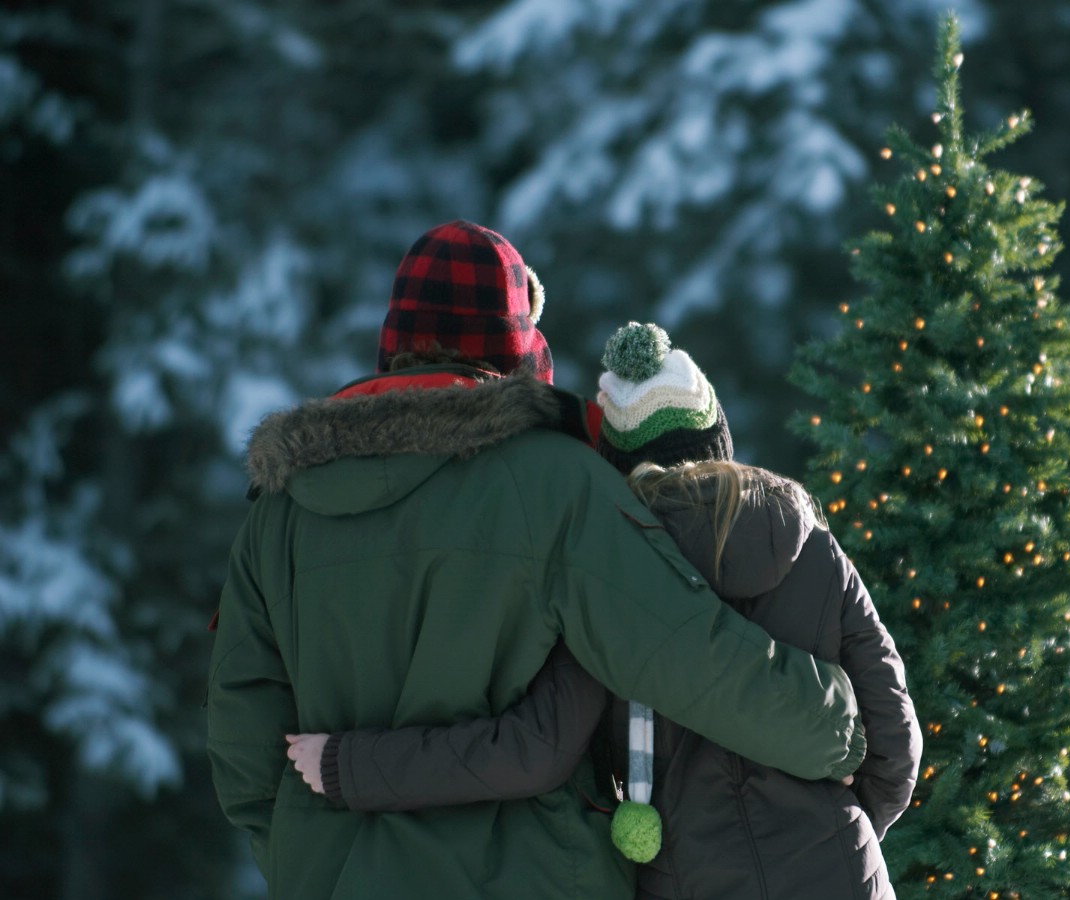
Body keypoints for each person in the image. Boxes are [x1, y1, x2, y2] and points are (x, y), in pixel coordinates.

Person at [206, 222, 868, 900]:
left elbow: (245, 756)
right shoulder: (556, 482)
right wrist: (834, 728)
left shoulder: (279, 514)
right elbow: (681, 651)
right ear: (514, 340)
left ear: (394, 339)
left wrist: (312, 860)